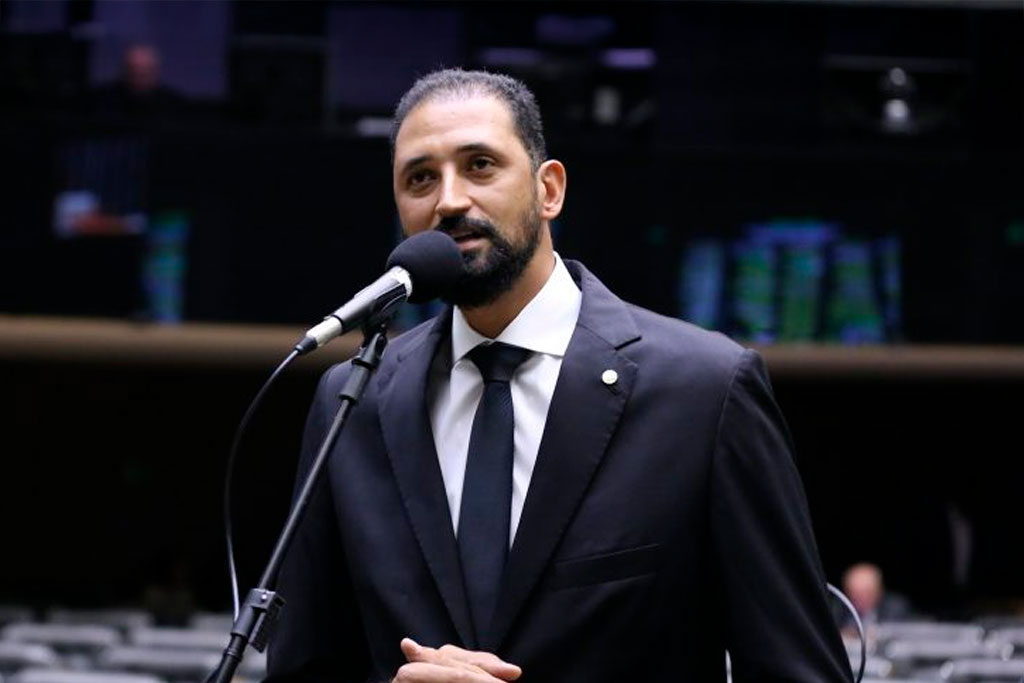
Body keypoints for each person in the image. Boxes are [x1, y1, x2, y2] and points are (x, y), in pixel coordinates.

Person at [266, 68, 852, 683]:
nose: (449, 200)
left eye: (481, 165)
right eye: (420, 178)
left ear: (549, 190)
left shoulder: (705, 392)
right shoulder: (352, 398)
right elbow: (306, 667)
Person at [839, 562, 913, 635]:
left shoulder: (895, 609)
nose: (860, 598)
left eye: (866, 593)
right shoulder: (837, 609)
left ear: (879, 591)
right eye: (854, 593)